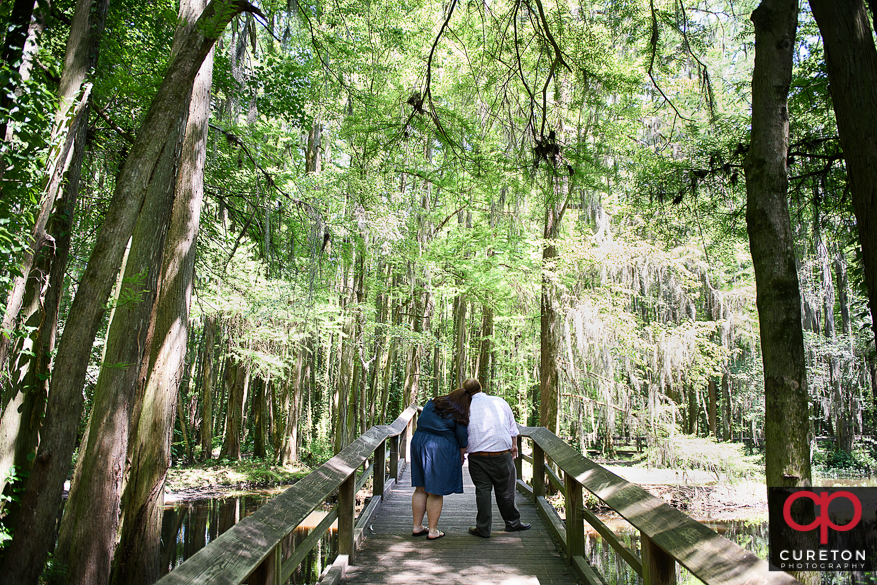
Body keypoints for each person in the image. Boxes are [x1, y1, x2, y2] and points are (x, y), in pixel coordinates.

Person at [463, 378, 530, 538]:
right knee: (506, 490)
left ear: (466, 392)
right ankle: (512, 523)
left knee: (483, 491)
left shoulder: (464, 407)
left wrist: (461, 453)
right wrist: (514, 446)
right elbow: (512, 428)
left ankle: (483, 528)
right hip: (502, 454)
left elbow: (461, 432)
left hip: (478, 457)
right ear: (481, 387)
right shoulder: (499, 401)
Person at [410, 386, 477, 540]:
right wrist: (462, 455)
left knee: (420, 488)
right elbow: (462, 437)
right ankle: (433, 531)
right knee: (435, 490)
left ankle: (417, 526)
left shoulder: (433, 401)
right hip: (439, 446)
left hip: (419, 441)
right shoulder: (459, 411)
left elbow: (423, 420)